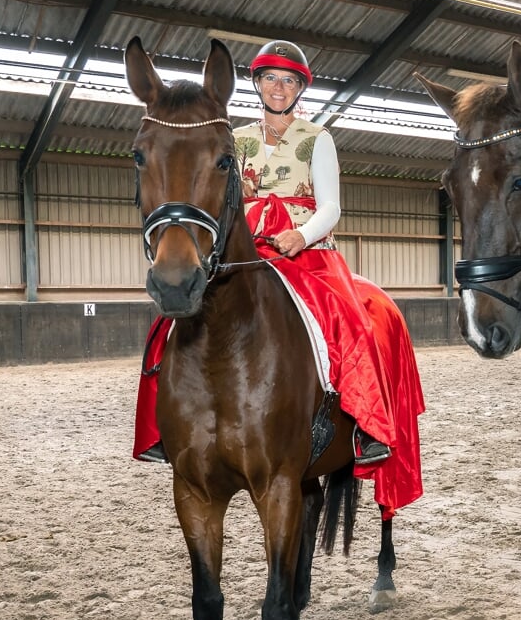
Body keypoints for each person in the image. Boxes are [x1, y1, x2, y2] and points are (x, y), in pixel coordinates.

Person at [134, 39, 408, 480]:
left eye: (288, 81)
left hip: (306, 251)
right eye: (270, 79)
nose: (279, 88)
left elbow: (331, 207)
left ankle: (365, 428)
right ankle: (160, 428)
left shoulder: (318, 139)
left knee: (352, 321)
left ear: (300, 88)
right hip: (246, 249)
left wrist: (301, 234)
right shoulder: (232, 138)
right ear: (257, 84)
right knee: (169, 322)